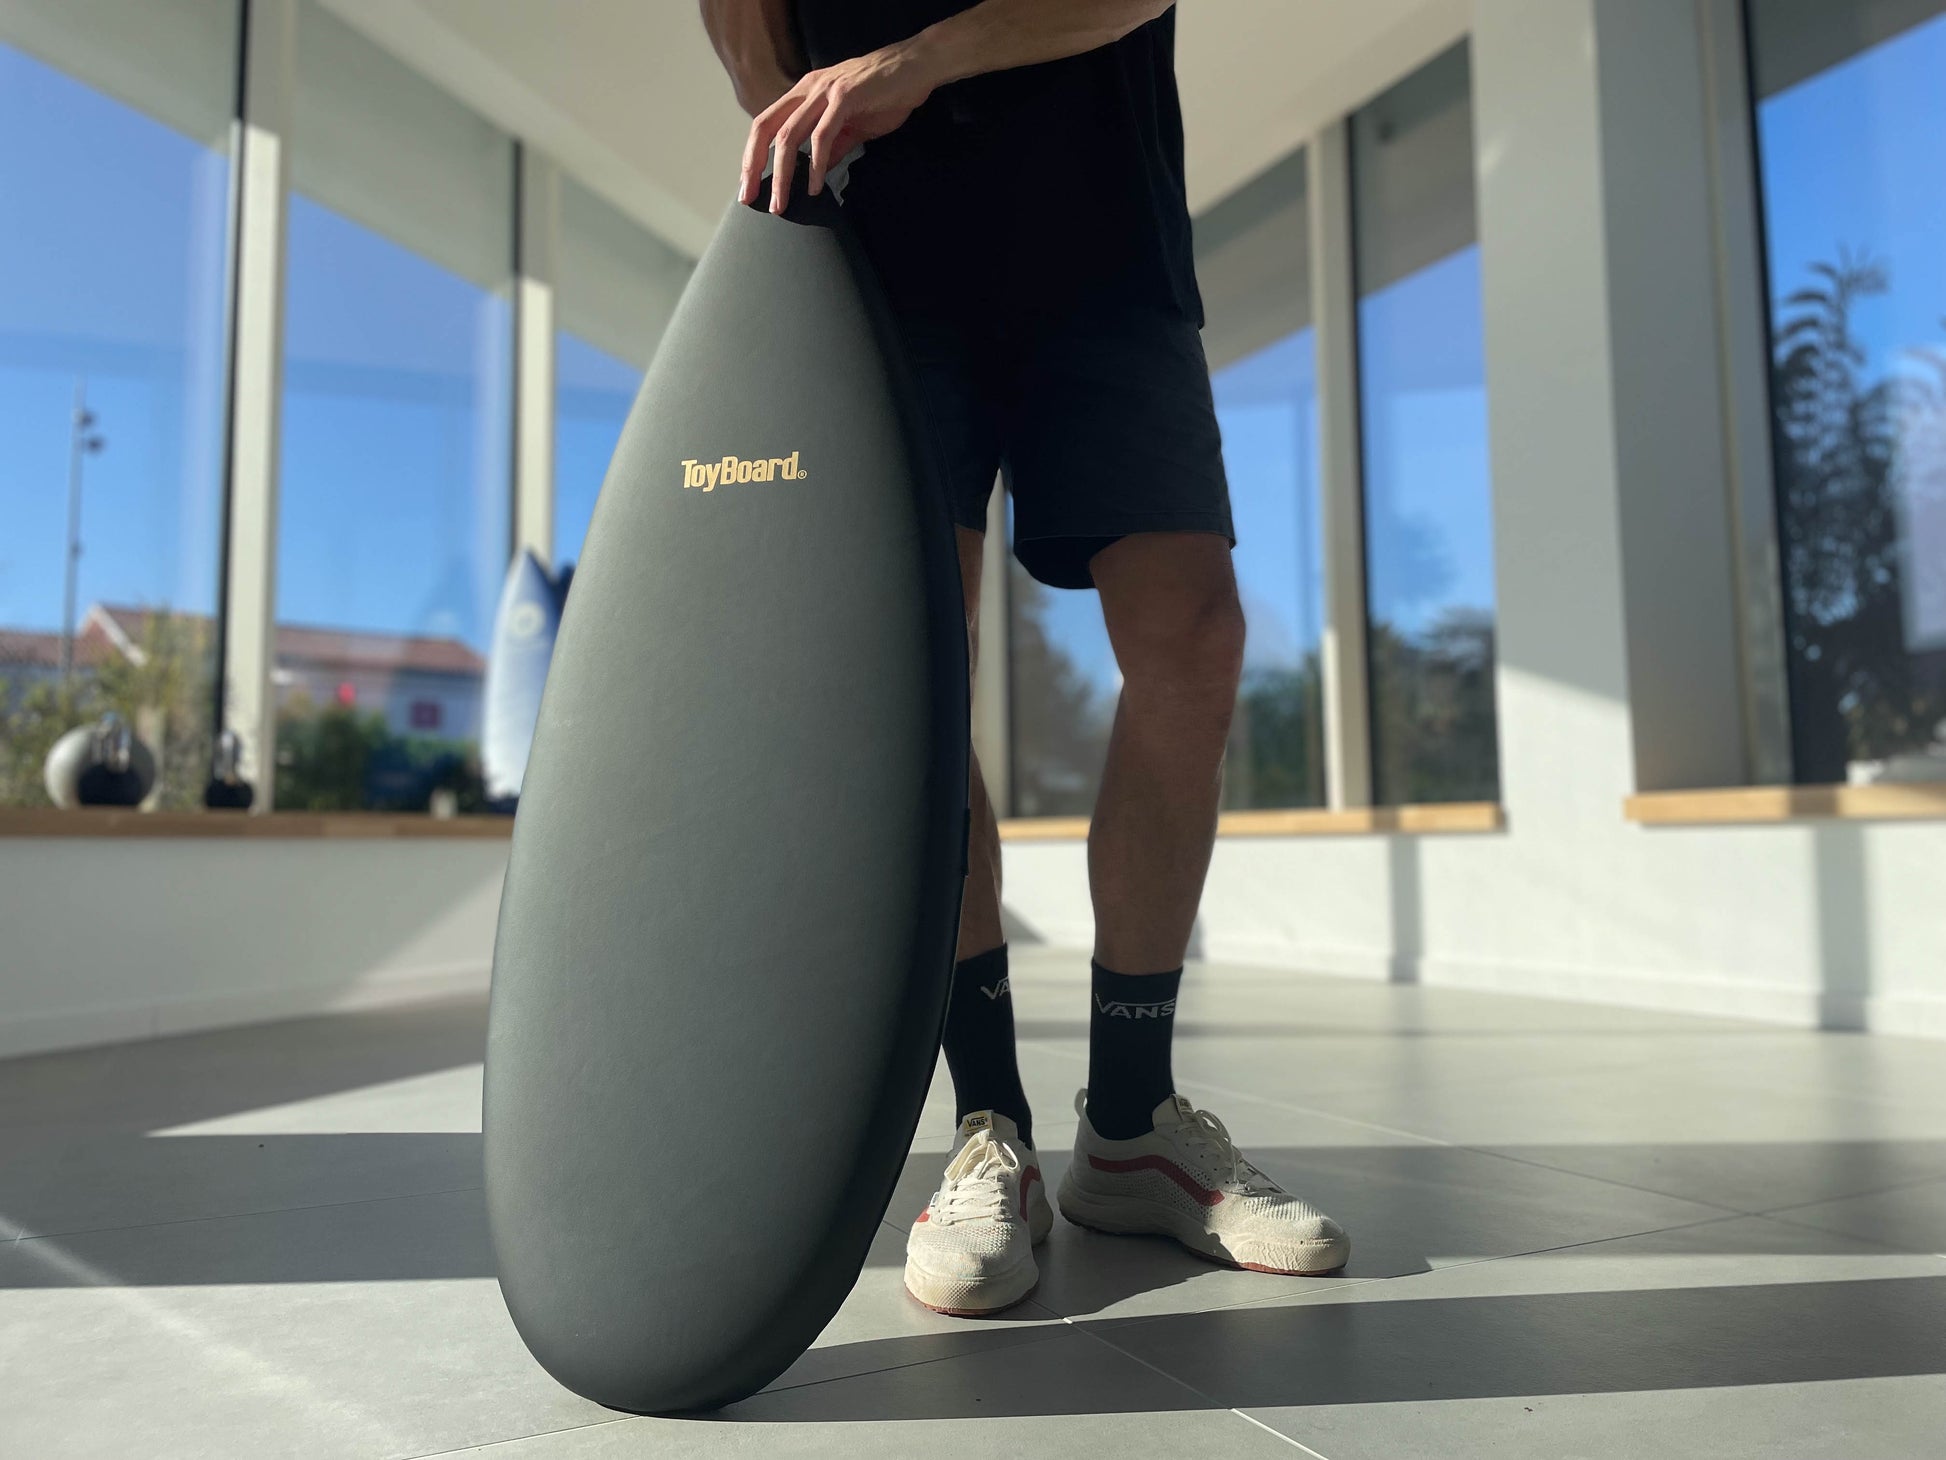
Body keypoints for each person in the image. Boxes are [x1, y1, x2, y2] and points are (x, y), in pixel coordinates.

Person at [702, 0, 1349, 1315]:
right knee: (917, 680)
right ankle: (984, 1122)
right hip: (878, 256)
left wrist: (919, 58)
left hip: (1102, 241)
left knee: (1191, 634)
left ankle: (1129, 1123)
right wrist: (785, 106)